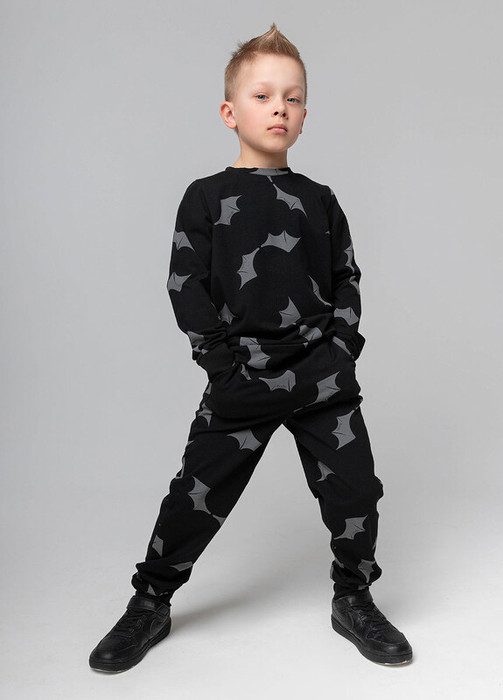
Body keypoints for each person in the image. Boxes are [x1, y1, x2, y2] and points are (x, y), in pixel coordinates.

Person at [89, 22, 413, 673]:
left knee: (357, 490)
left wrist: (341, 349)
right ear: (230, 112)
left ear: (305, 115)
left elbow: (346, 278)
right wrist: (219, 363)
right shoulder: (206, 198)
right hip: (243, 377)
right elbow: (186, 284)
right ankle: (150, 601)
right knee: (195, 494)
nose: (279, 109)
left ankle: (353, 596)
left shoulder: (319, 200)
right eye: (263, 96)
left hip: (321, 377)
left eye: (293, 98)